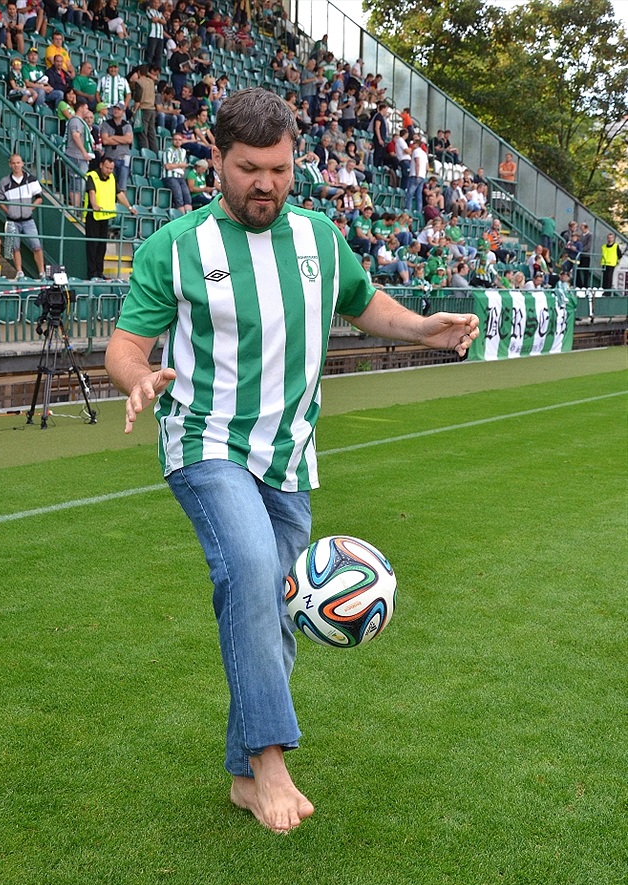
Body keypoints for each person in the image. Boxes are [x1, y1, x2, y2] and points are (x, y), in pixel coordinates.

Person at [104, 88, 478, 834]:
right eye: (248, 169)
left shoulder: (318, 238)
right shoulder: (175, 247)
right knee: (246, 568)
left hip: (290, 454)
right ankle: (271, 759)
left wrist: (426, 330)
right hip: (206, 442)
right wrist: (136, 377)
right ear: (216, 159)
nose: (265, 184)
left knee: (274, 600)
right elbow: (125, 345)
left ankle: (243, 774)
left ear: (294, 160)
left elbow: (366, 304)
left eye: (278, 168)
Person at [83, 156, 136, 280]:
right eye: (107, 168)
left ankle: (100, 273)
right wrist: (94, 205)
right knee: (92, 246)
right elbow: (91, 192)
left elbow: (119, 194)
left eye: (111, 168)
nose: (109, 171)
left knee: (102, 246)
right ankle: (92, 274)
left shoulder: (112, 177)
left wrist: (129, 207)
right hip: (93, 216)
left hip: (105, 216)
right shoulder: (92, 176)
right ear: (101, 165)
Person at [0, 153, 46, 279]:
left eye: (18, 162)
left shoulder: (31, 179)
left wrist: (30, 208)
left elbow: (39, 198)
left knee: (37, 245)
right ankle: (19, 272)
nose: (16, 165)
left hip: (28, 220)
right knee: (15, 247)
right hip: (12, 220)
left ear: (22, 164)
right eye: (13, 163)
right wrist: (8, 211)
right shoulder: (4, 182)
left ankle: (42, 272)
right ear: (10, 165)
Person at [100, 102, 133, 191]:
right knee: (108, 186)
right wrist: (122, 139)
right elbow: (105, 141)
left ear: (123, 112)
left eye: (119, 109)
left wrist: (113, 137)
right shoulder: (106, 124)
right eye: (115, 109)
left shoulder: (127, 125)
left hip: (123, 158)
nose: (116, 111)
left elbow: (129, 140)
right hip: (110, 159)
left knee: (122, 187)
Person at [162, 130, 193, 213]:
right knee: (178, 197)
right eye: (175, 139)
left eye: (179, 140)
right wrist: (180, 165)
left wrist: (179, 166)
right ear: (172, 140)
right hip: (170, 177)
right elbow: (167, 166)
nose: (177, 141)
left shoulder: (183, 151)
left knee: (187, 197)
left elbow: (183, 166)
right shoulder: (168, 151)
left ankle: (188, 218)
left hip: (180, 177)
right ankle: (182, 218)